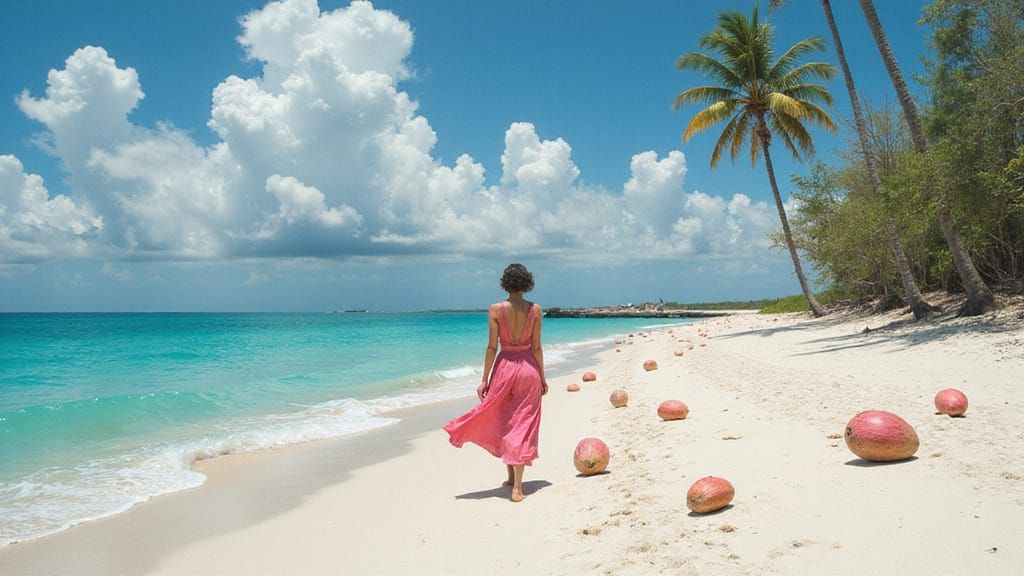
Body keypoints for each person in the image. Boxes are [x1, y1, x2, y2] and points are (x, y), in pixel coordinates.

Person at [443, 263, 548, 502]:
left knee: (505, 420)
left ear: (505, 283)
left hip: (504, 368)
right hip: (528, 369)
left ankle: (513, 479)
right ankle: (516, 486)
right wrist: (542, 376)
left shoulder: (495, 309)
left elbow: (492, 347)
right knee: (522, 423)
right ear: (527, 282)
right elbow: (537, 347)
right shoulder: (536, 310)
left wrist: (484, 379)